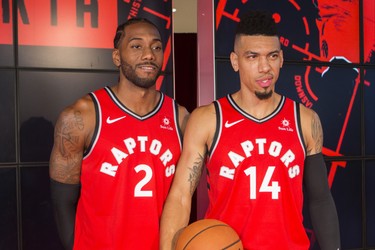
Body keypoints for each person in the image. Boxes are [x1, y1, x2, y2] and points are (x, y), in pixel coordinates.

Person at [160, 10, 340, 250]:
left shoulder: (305, 120)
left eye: (272, 56)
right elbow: (181, 195)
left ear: (282, 59)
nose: (265, 67)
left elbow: (320, 199)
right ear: (235, 61)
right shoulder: (208, 119)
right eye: (252, 57)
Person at [49, 18, 189, 250]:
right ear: (117, 57)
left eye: (156, 47)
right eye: (136, 46)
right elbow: (62, 201)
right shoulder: (81, 116)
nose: (149, 55)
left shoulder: (180, 118)